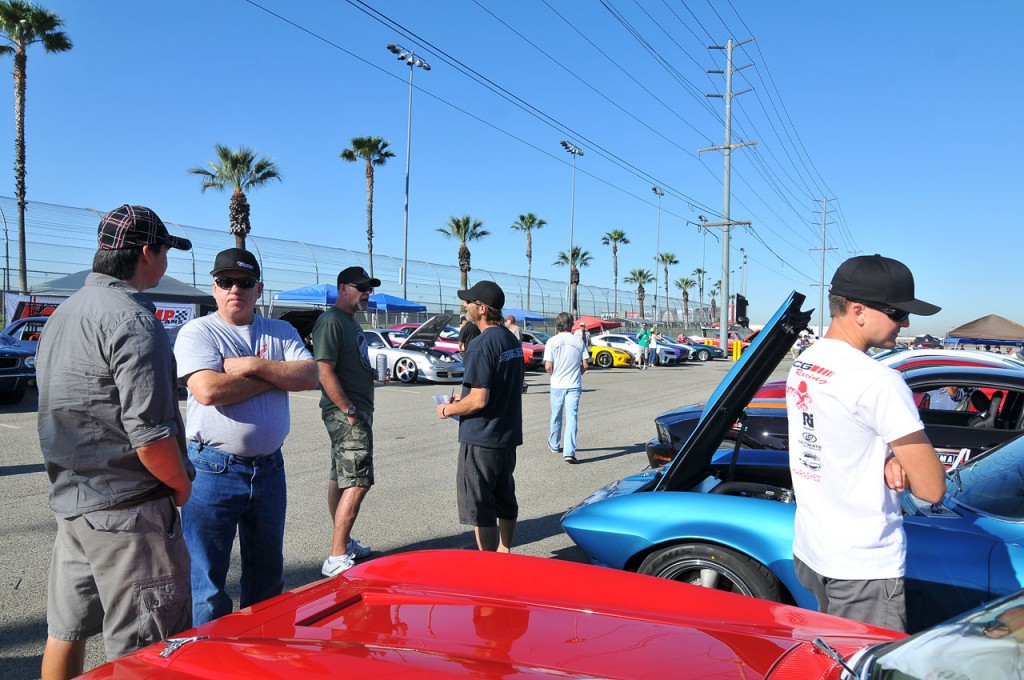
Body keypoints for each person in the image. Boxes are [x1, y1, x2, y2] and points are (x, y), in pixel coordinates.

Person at [37, 205, 194, 679]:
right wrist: (182, 487)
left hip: (74, 503)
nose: (166, 261)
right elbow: (149, 436)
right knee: (148, 651)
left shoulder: (63, 314)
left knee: (65, 631)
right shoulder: (134, 321)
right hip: (130, 513)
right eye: (165, 250)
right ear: (147, 252)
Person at [786, 254, 947, 633]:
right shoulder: (877, 380)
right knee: (863, 666)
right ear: (858, 310)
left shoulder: (806, 362)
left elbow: (840, 438)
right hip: (863, 567)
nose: (906, 322)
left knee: (832, 657)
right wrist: (902, 459)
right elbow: (932, 488)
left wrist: (890, 454)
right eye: (897, 312)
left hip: (812, 550)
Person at [174, 248, 318, 625]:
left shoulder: (281, 330)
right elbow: (208, 390)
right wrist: (275, 376)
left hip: (270, 469)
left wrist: (254, 366)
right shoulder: (198, 331)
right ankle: (209, 661)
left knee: (267, 577)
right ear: (214, 288)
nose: (234, 288)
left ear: (258, 288)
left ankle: (261, 655)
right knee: (207, 582)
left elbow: (309, 376)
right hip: (212, 470)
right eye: (225, 281)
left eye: (244, 282)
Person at [436, 280, 524, 552]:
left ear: (482, 309)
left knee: (481, 505)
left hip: (482, 438)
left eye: (469, 302)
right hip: (506, 434)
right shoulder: (510, 338)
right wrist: (466, 398)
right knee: (505, 496)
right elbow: (498, 387)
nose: (465, 305)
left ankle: (488, 564)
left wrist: (447, 409)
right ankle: (505, 550)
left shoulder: (480, 344)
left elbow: (479, 399)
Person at [312, 266, 381, 576]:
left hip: (352, 410)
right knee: (358, 480)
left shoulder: (350, 322)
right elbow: (323, 370)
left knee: (340, 476)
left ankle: (344, 542)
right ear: (342, 288)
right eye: (361, 287)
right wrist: (349, 409)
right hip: (346, 414)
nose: (367, 293)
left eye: (369, 288)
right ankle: (337, 555)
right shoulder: (331, 321)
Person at [544, 312, 589, 463]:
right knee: (572, 417)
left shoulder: (552, 341)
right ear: (571, 325)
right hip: (574, 384)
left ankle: (554, 443)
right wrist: (578, 373)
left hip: (557, 384)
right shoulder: (578, 341)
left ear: (557, 324)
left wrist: (552, 374)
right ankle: (569, 451)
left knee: (556, 415)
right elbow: (585, 365)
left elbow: (548, 365)